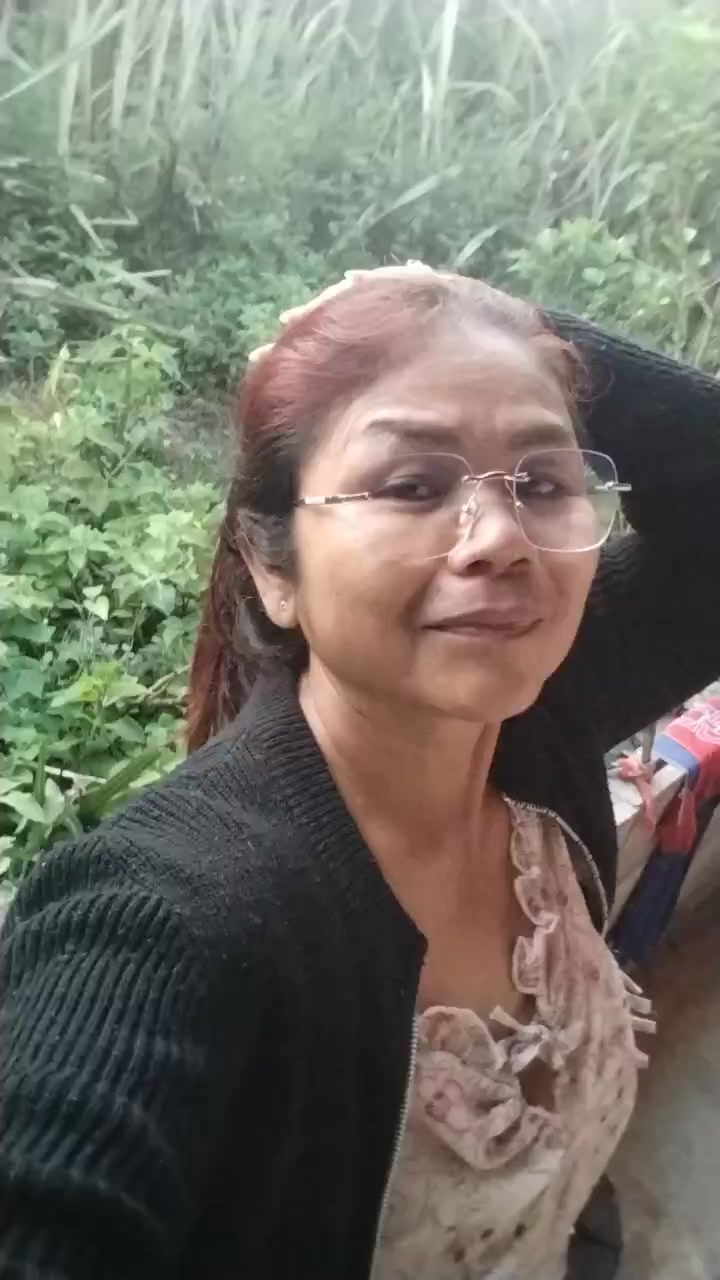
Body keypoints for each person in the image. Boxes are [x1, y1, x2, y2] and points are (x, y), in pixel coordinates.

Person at [1, 262, 719, 1280]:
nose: (499, 539)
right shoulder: (170, 916)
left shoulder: (541, 723)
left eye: (542, 484)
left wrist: (497, 323)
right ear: (273, 567)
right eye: (414, 486)